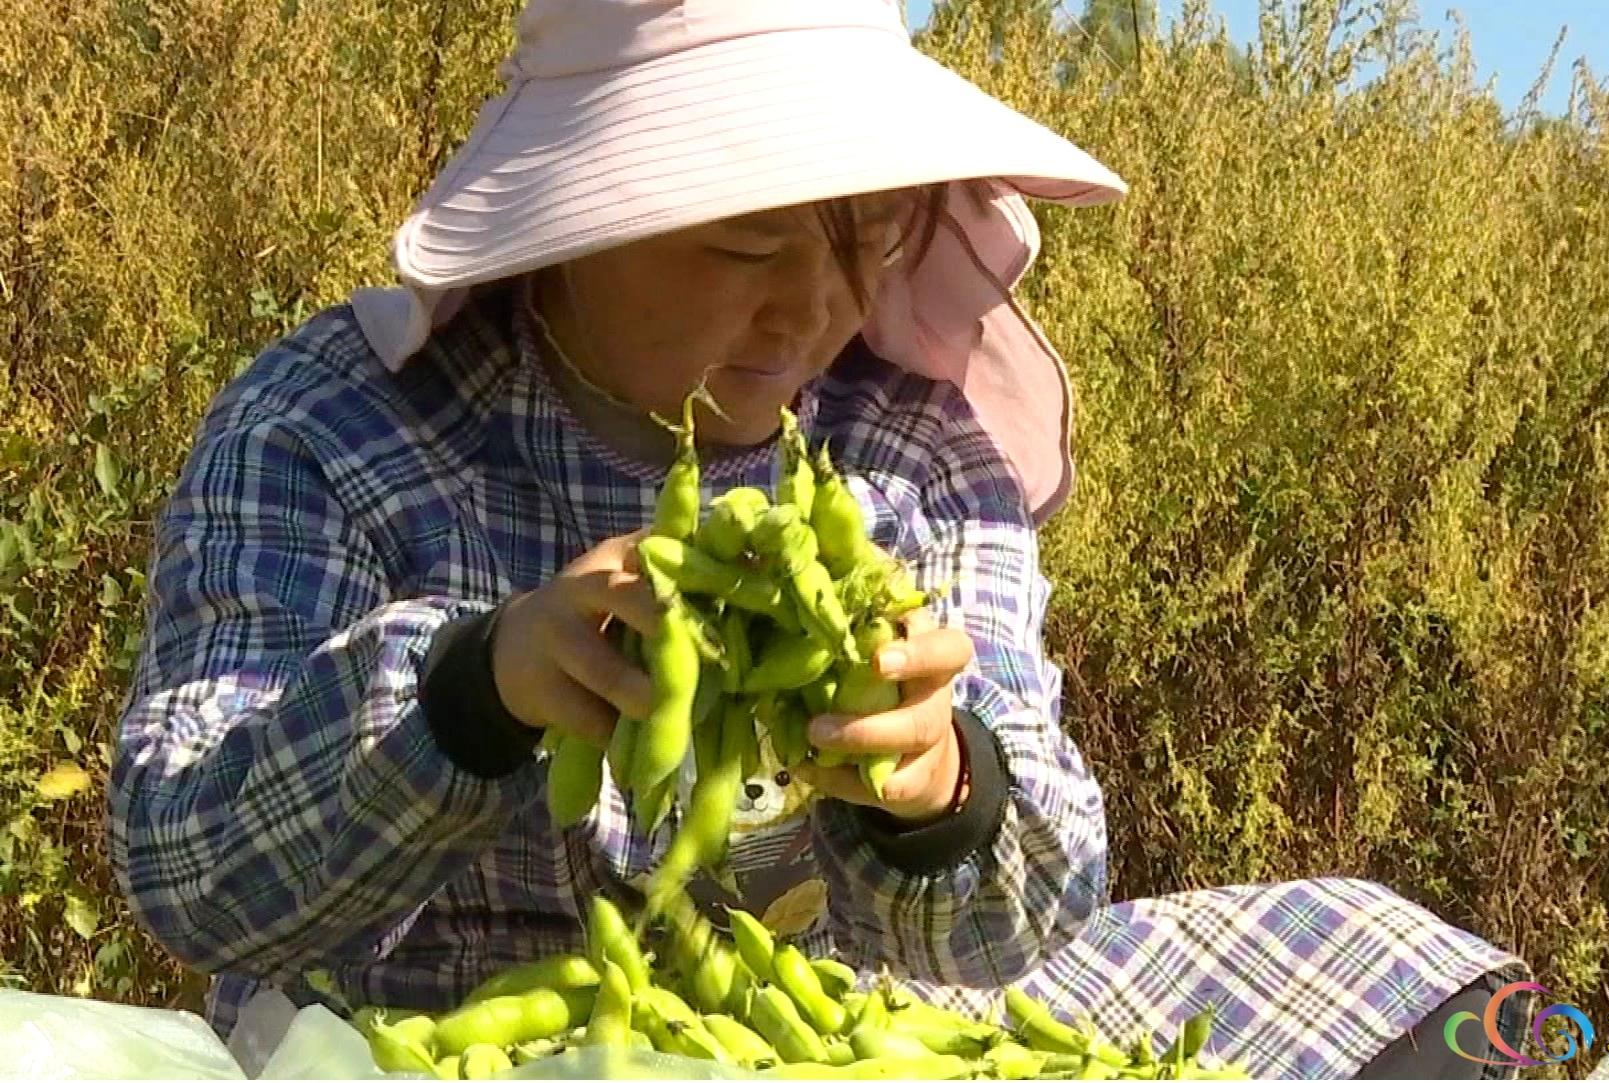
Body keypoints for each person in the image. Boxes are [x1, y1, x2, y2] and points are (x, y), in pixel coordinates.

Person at [106, 0, 1534, 1076]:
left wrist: (936, 788)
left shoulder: (906, 455)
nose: (809, 312)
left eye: (861, 240)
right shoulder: (335, 432)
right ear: (574, 222)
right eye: (743, 248)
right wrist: (478, 688)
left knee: (1409, 972)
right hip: (428, 1032)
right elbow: (192, 874)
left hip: (812, 1025)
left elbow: (1019, 919)